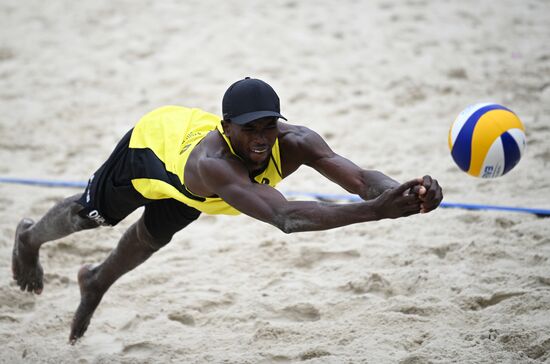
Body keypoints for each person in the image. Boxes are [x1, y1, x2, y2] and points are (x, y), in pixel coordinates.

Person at [11, 77, 443, 344]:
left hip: (195, 191)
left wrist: (407, 190)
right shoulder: (213, 166)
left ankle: (95, 282)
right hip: (151, 150)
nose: (261, 138)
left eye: (268, 126)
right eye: (249, 128)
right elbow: (287, 218)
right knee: (92, 216)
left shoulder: (295, 141)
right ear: (226, 127)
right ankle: (29, 237)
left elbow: (364, 180)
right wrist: (374, 212)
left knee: (153, 238)